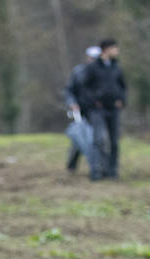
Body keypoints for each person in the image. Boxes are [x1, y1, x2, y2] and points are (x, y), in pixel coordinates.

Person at [80, 39, 126, 180]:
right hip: (97, 110)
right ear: (106, 49)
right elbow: (84, 88)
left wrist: (121, 100)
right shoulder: (92, 68)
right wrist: (94, 102)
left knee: (114, 141)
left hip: (113, 109)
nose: (117, 51)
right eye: (115, 48)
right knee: (98, 140)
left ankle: (112, 172)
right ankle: (96, 171)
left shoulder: (116, 67)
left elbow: (123, 86)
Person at [64, 46, 100, 174]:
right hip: (81, 110)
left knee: (96, 138)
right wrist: (72, 103)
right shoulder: (78, 72)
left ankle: (96, 166)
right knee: (80, 138)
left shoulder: (103, 72)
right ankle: (72, 165)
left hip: (97, 111)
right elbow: (69, 91)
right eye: (92, 58)